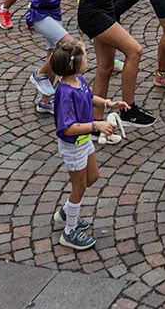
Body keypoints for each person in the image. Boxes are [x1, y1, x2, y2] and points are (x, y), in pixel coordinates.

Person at [48, 36, 127, 251]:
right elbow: (67, 128)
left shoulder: (79, 80)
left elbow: (90, 96)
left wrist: (108, 103)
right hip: (73, 145)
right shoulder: (64, 93)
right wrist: (96, 126)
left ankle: (66, 212)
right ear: (74, 64)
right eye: (85, 57)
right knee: (79, 187)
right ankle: (69, 231)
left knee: (92, 177)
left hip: (83, 143)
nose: (87, 60)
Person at [25, 0, 80, 114]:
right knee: (70, 45)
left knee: (53, 58)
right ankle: (39, 74)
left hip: (55, 15)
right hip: (39, 15)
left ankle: (44, 102)